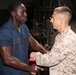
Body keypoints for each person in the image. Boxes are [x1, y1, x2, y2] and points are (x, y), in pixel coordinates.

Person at [0, 1, 47, 75]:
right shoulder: (5, 32)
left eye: (25, 12)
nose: (25, 14)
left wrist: (48, 54)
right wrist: (29, 68)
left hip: (24, 70)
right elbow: (7, 59)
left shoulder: (23, 27)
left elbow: (33, 43)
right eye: (22, 12)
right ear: (13, 13)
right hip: (11, 72)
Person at [30, 6, 76, 75]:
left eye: (53, 18)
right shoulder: (60, 36)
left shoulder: (67, 39)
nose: (51, 20)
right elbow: (55, 56)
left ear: (60, 21)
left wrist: (36, 56)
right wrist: (40, 66)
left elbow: (51, 60)